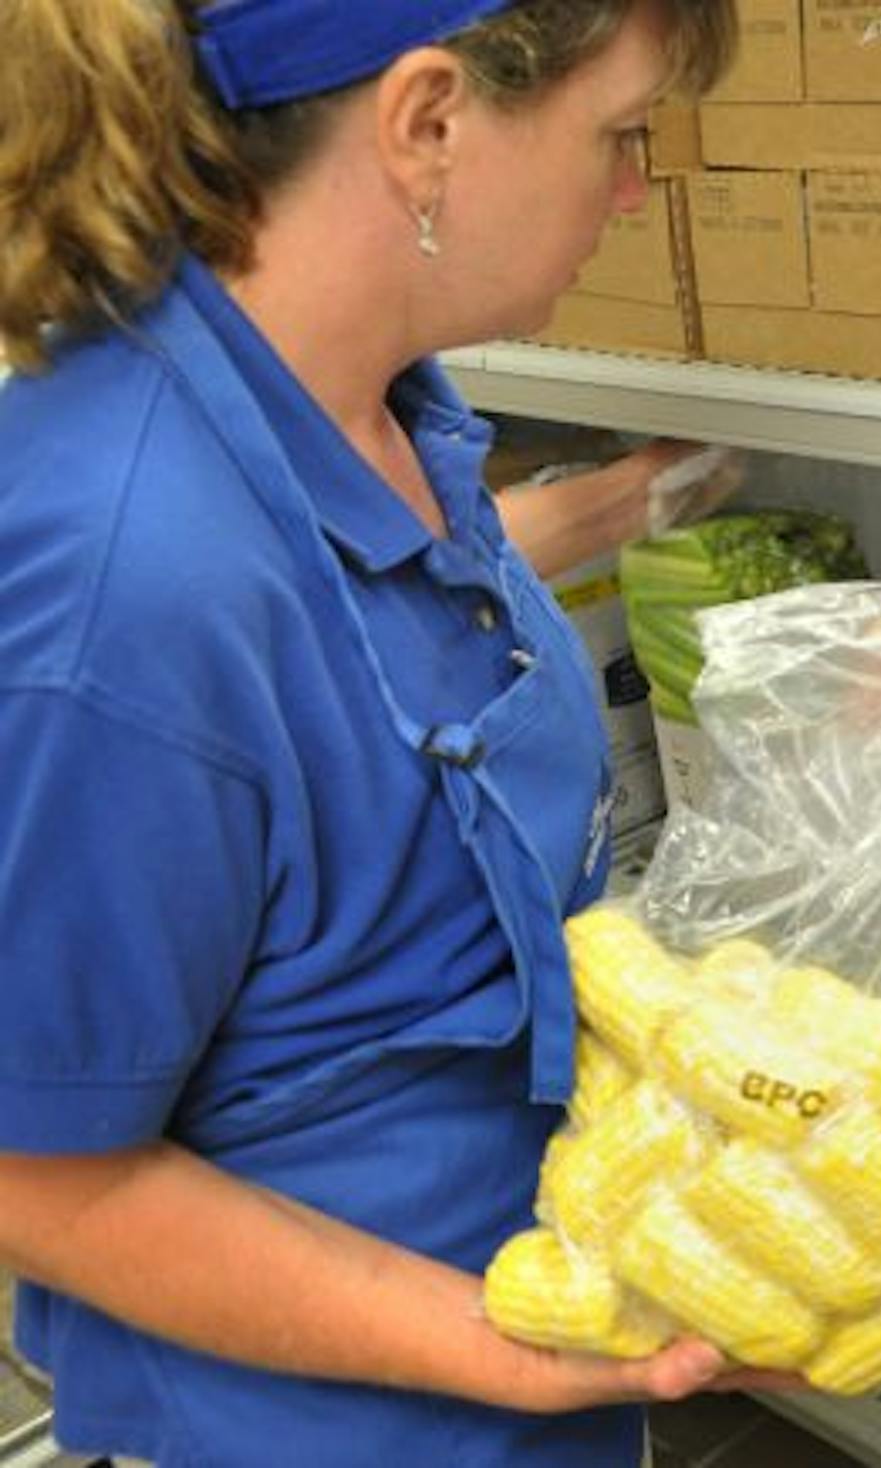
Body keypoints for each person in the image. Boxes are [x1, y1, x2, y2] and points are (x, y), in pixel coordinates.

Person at [0, 2, 792, 1464]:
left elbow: (353, 653)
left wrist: (618, 508)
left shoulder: (359, 404)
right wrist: (517, 1353)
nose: (635, 193)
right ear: (427, 121)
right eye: (620, 136)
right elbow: (37, 1177)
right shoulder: (123, 592)